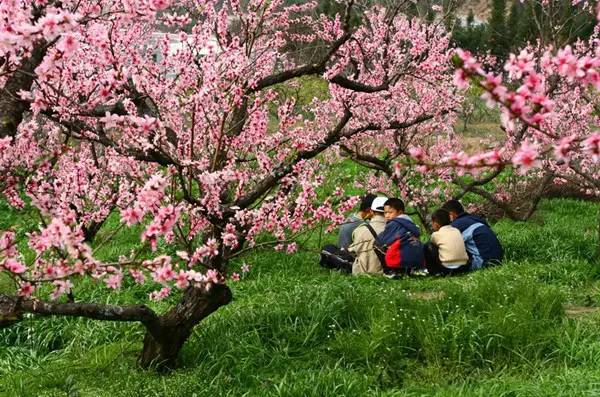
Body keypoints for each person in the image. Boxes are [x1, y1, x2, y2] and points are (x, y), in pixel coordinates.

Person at [441, 199, 503, 270]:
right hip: (499, 259)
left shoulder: (456, 225)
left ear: (451, 215)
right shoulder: (476, 219)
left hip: (484, 262)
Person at [320, 194, 376, 272]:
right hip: (348, 255)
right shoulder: (362, 225)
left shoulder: (351, 216)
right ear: (369, 210)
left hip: (340, 250)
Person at [377, 198, 424, 276]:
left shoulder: (394, 223)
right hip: (418, 260)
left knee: (377, 243)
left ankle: (389, 271)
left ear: (400, 212)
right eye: (385, 213)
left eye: (390, 212)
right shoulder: (410, 222)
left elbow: (384, 241)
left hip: (399, 259)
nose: (387, 215)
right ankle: (408, 271)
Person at [347, 196, 388, 275]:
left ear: (371, 211)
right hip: (386, 270)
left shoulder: (360, 229)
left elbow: (353, 250)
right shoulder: (395, 229)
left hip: (362, 271)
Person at [424, 209, 469, 276]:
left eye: (432, 222)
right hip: (463, 266)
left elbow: (432, 248)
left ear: (436, 224)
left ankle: (435, 272)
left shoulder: (436, 234)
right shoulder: (456, 230)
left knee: (428, 246)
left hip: (446, 268)